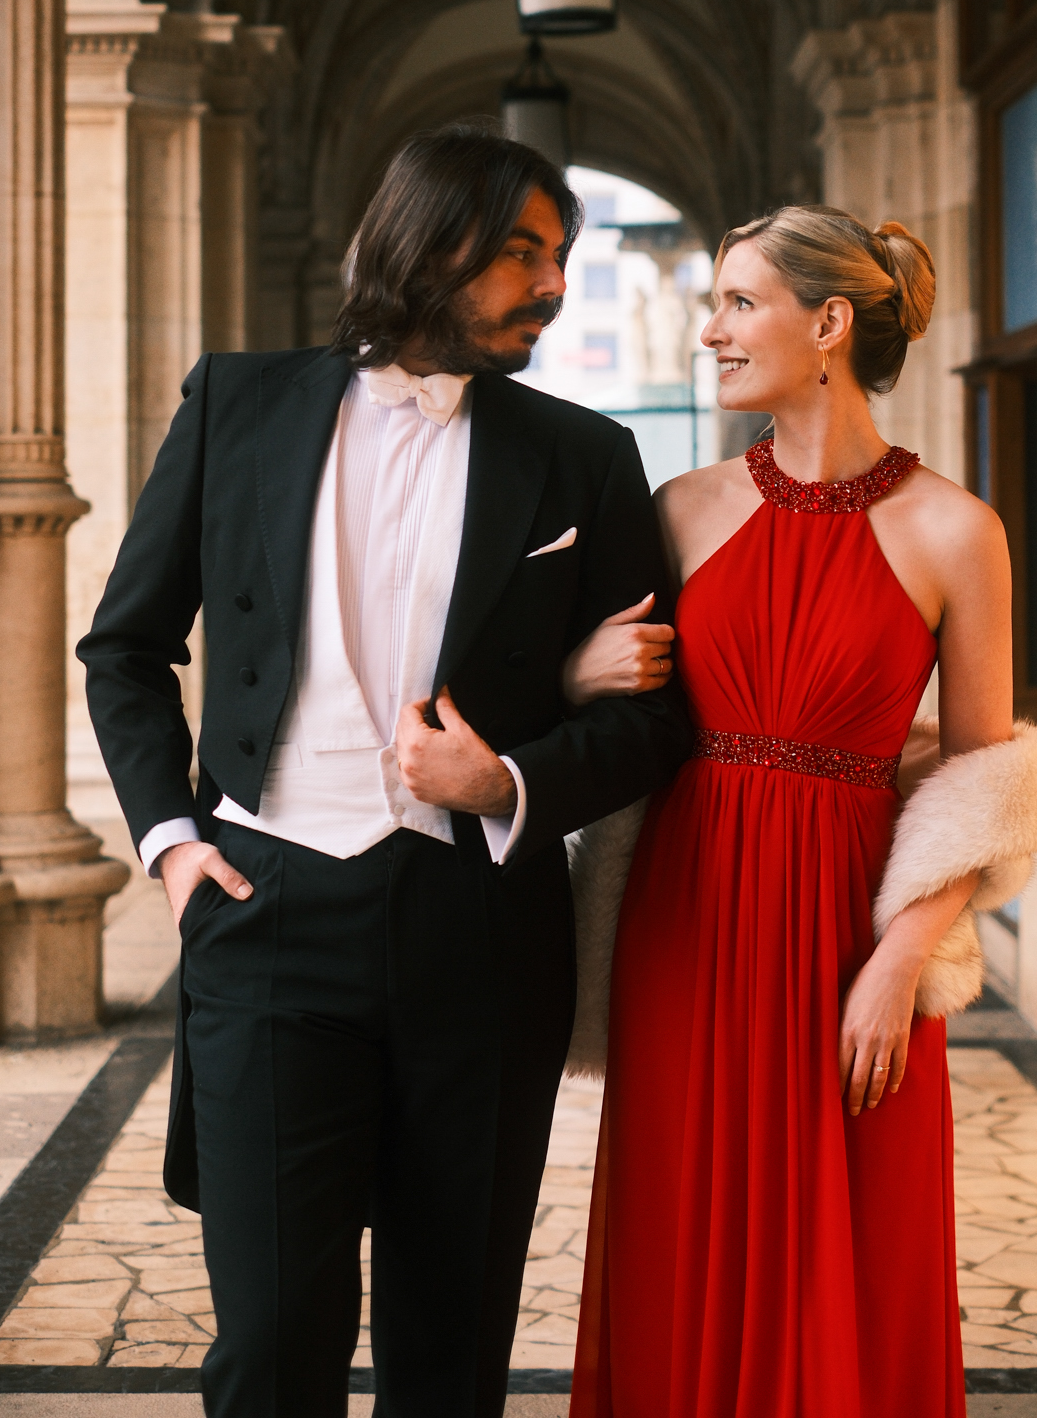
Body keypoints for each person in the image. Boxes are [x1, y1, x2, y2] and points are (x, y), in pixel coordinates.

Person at [77, 125, 694, 1418]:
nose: (551, 284)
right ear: (429, 242)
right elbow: (126, 649)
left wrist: (506, 783)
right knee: (272, 1343)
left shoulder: (583, 458)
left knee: (449, 1347)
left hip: (480, 931)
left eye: (563, 256)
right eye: (523, 251)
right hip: (263, 913)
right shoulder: (236, 405)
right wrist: (172, 845)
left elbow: (655, 723)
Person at [561, 205, 1037, 1418]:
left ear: (828, 323)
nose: (709, 326)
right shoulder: (679, 509)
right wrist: (580, 672)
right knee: (678, 1231)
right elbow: (611, 707)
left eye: (737, 302)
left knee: (859, 1248)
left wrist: (901, 957)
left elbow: (984, 776)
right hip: (684, 923)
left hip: (854, 929)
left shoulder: (957, 530)